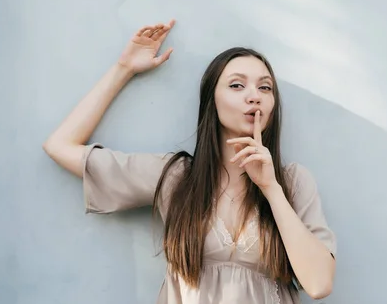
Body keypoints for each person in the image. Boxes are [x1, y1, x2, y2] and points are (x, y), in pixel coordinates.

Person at [42, 20, 337, 304]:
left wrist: (271, 188)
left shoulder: (294, 182)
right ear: (212, 100)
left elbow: (320, 284)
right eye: (237, 86)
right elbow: (59, 146)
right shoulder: (176, 177)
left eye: (265, 88)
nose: (254, 97)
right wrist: (124, 69)